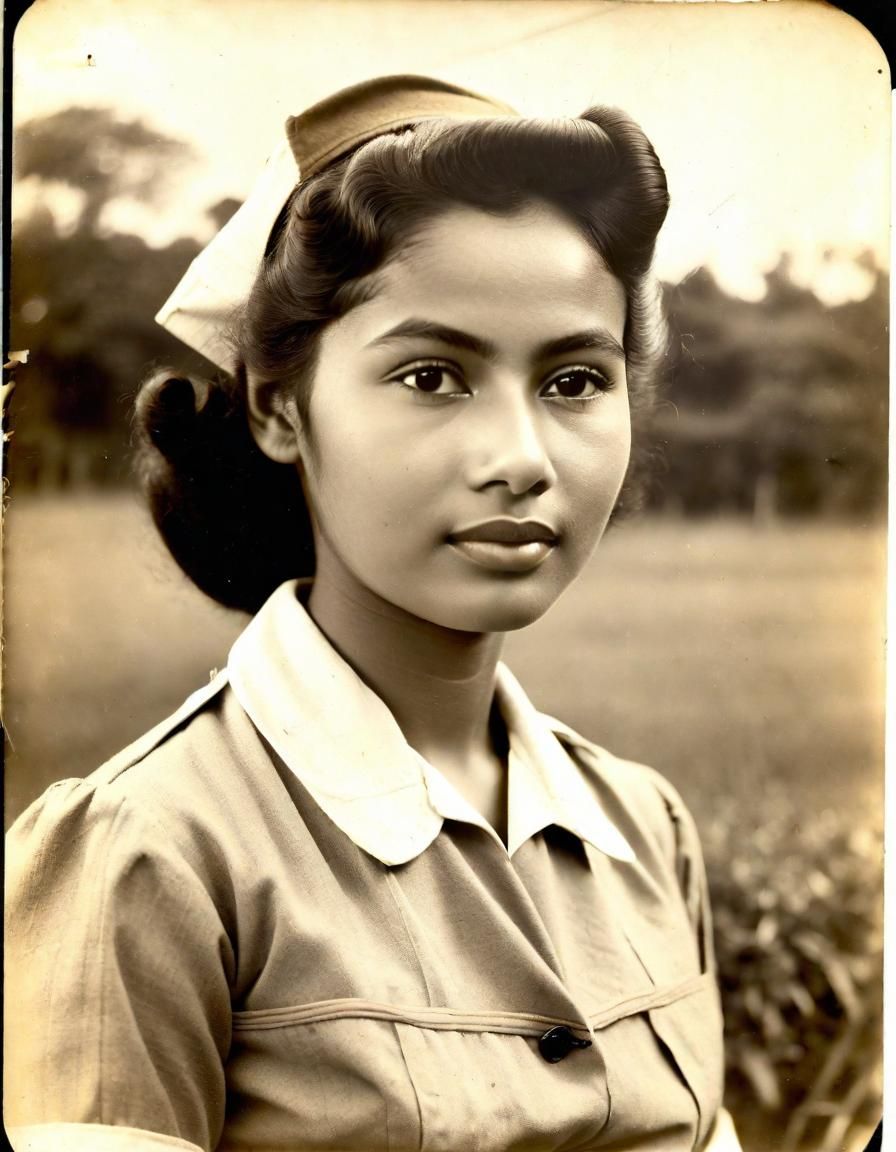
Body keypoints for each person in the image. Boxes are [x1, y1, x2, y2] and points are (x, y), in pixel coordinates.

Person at [5, 75, 742, 1151]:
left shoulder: (642, 829)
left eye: (575, 380)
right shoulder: (148, 853)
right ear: (277, 403)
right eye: (434, 376)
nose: (521, 460)